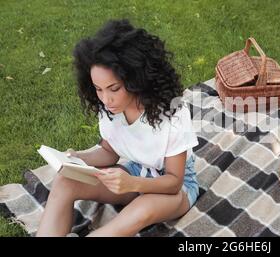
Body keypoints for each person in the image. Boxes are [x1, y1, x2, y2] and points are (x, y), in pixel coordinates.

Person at [36, 19, 199, 237]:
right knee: (65, 181)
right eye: (98, 89)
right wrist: (77, 158)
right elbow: (109, 152)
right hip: (135, 172)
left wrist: (132, 184)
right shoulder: (111, 109)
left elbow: (173, 182)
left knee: (143, 209)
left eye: (113, 88)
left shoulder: (173, 113)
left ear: (134, 79)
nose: (106, 99)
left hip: (175, 189)